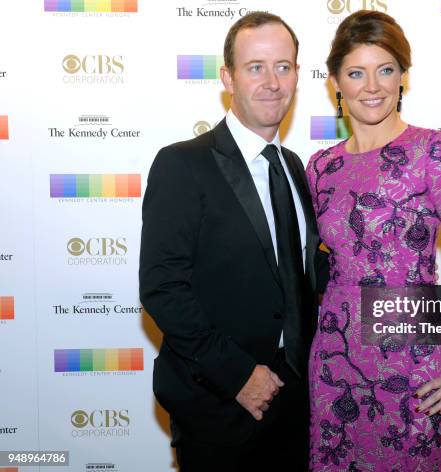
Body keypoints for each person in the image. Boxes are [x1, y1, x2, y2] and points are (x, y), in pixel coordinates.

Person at [306, 11, 441, 471]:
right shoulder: (320, 168)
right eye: (356, 73)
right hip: (334, 362)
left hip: (411, 366)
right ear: (335, 82)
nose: (372, 86)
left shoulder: (433, 151)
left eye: (385, 69)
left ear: (403, 77)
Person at [139, 12, 327, 472]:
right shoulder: (182, 164)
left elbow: (302, 277)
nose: (271, 82)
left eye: (283, 67)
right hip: (219, 407)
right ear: (228, 77)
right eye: (255, 67)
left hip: (296, 406)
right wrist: (238, 375)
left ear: (298, 76)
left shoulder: (296, 167)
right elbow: (162, 287)